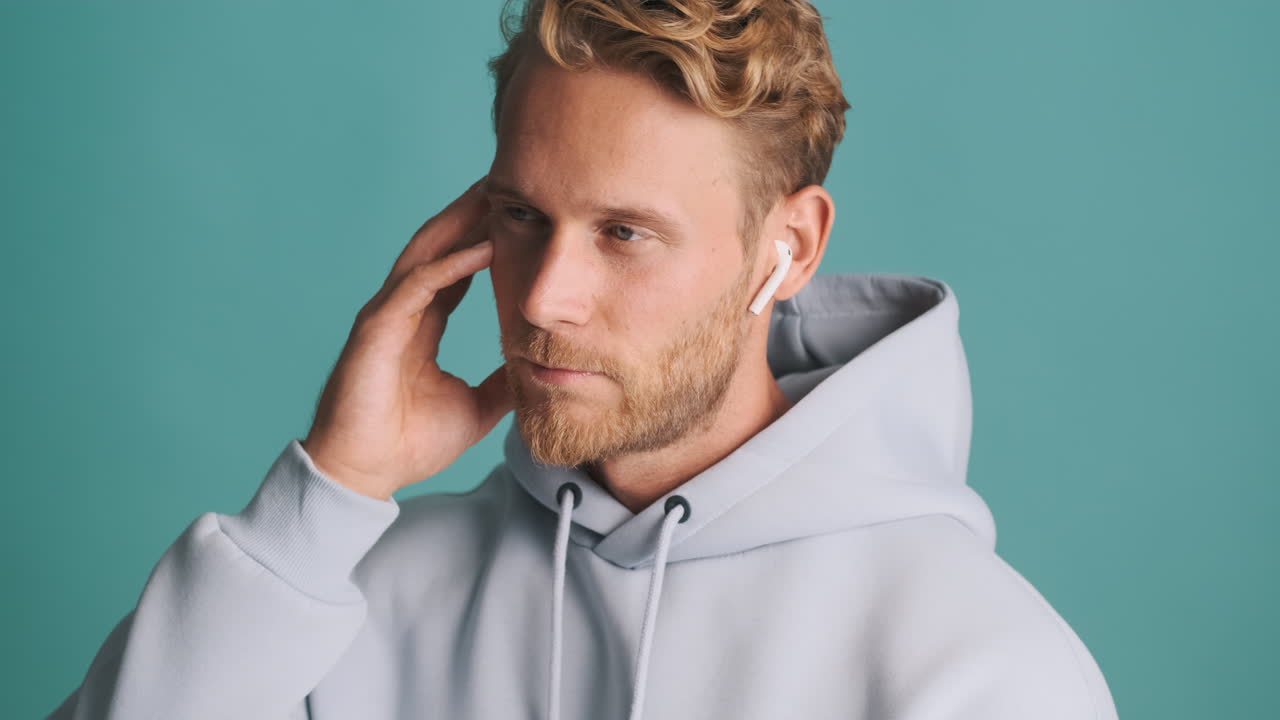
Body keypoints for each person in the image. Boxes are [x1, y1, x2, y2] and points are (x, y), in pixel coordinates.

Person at [48, 1, 1120, 719]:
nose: (545, 300)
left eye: (625, 233)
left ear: (785, 250)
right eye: (521, 215)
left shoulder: (977, 664)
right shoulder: (347, 594)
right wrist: (329, 494)